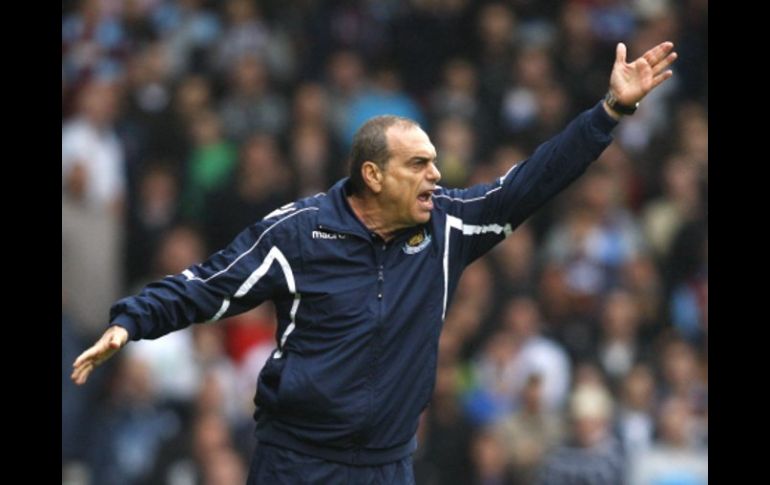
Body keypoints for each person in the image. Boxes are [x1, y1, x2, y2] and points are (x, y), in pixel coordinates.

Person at [72, 41, 677, 484]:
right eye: (419, 164)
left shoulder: (449, 225)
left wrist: (608, 113)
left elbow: (532, 181)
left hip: (388, 466)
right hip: (296, 463)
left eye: (435, 162)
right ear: (373, 174)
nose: (436, 176)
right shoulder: (298, 233)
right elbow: (210, 285)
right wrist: (131, 320)